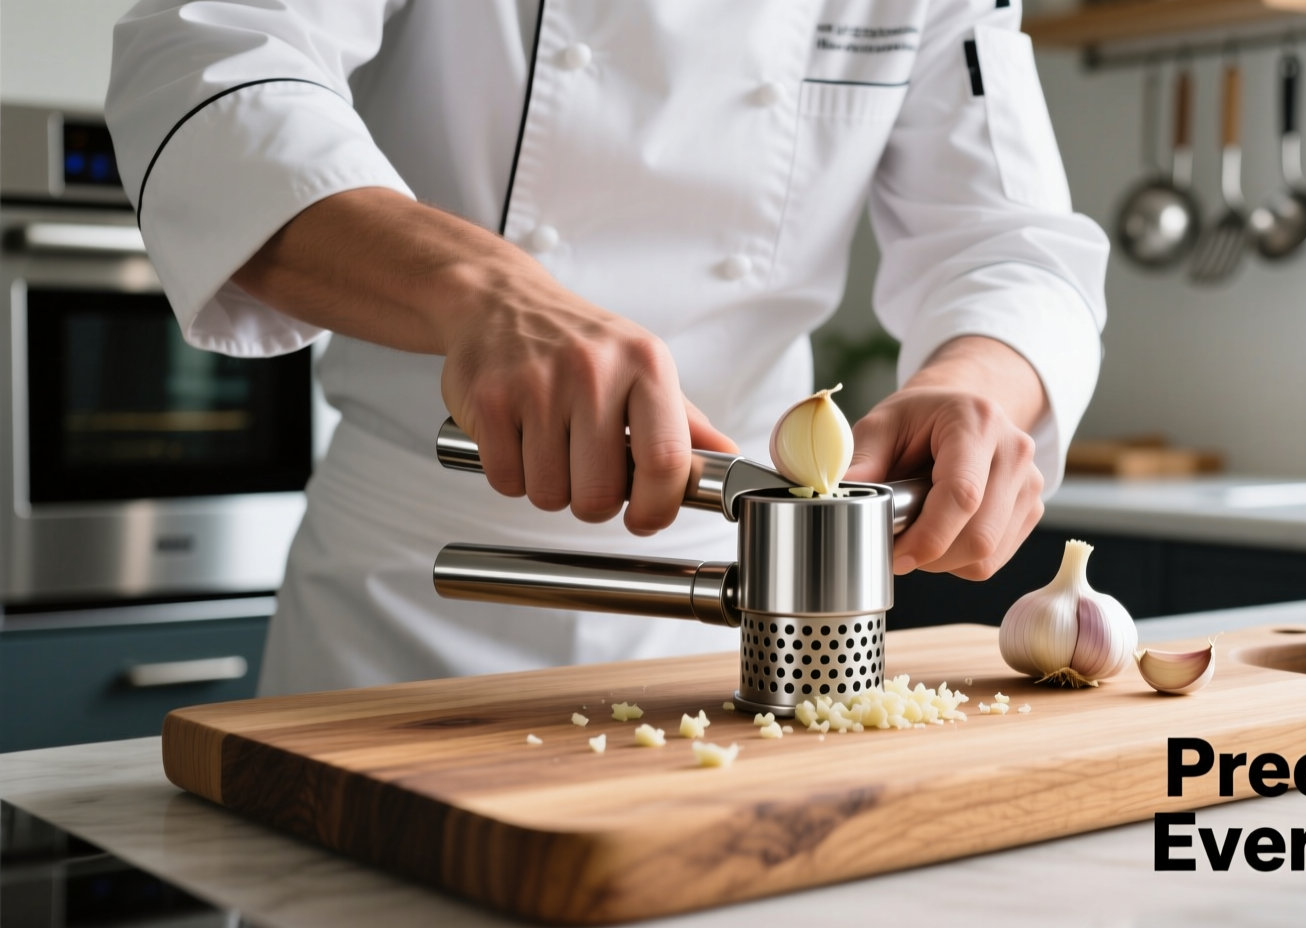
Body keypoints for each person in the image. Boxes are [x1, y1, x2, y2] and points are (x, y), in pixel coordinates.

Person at [106, 0, 1109, 695]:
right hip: (408, 604)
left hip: (745, 615)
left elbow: (1010, 240)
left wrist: (978, 380)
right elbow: (212, 62)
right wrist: (481, 291)